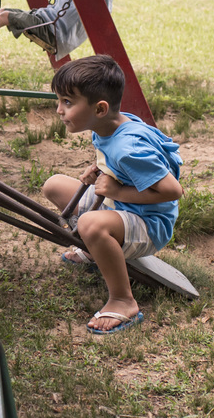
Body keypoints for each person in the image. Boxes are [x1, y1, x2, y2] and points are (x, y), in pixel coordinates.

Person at [40, 55, 183, 335]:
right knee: (54, 185)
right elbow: (120, 163)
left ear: (100, 108)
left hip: (149, 225)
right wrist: (100, 169)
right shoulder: (109, 126)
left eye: (67, 102)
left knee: (89, 224)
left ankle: (123, 300)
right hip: (121, 207)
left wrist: (116, 190)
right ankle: (98, 252)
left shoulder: (129, 148)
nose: (59, 110)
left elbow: (171, 191)